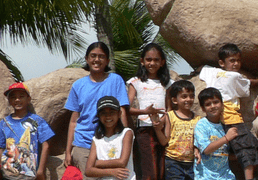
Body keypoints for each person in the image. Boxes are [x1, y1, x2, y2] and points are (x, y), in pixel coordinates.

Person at [64, 42, 131, 179]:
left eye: (101, 56)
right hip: (84, 143)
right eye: (93, 56)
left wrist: (125, 137)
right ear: (87, 59)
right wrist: (68, 151)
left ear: (107, 60)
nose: (97, 60)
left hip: (110, 142)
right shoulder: (78, 85)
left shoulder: (116, 80)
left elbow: (122, 110)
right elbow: (73, 121)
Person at [197, 43, 258, 179]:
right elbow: (248, 84)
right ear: (222, 62)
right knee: (247, 147)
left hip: (215, 120)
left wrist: (197, 69)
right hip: (232, 120)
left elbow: (202, 68)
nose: (236, 64)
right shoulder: (235, 76)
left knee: (226, 148)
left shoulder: (212, 71)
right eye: (232, 60)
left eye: (238, 61)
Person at [126, 43, 172, 180]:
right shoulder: (136, 82)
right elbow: (127, 108)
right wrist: (145, 111)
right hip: (144, 131)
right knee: (149, 170)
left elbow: (169, 108)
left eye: (156, 60)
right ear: (142, 61)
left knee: (162, 168)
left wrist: (161, 122)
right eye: (149, 60)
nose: (152, 63)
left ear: (162, 62)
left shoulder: (168, 83)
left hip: (164, 130)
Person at [0, 82, 55, 180]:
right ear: (9, 100)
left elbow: (46, 145)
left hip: (29, 174)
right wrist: (1, 168)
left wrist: (41, 170)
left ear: (28, 99)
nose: (17, 100)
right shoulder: (4, 123)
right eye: (13, 97)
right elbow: (0, 148)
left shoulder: (36, 121)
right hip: (8, 175)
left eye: (21, 96)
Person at [153, 81, 200, 180]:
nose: (188, 99)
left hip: (192, 163)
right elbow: (164, 141)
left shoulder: (198, 119)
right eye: (184, 96)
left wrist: (197, 150)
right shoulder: (170, 116)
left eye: (191, 96)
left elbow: (199, 141)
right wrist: (157, 129)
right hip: (173, 162)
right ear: (174, 100)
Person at [84, 96, 135, 180]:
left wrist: (97, 163)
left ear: (119, 114)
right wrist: (111, 172)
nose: (108, 116)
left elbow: (122, 162)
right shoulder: (96, 140)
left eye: (112, 112)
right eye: (103, 113)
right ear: (98, 116)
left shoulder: (126, 133)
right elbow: (88, 171)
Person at [193, 88, 237, 180]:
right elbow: (206, 150)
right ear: (203, 108)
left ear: (222, 104)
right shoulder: (202, 125)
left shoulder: (226, 124)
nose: (212, 106)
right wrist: (226, 138)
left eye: (216, 102)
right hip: (206, 175)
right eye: (208, 104)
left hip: (225, 175)